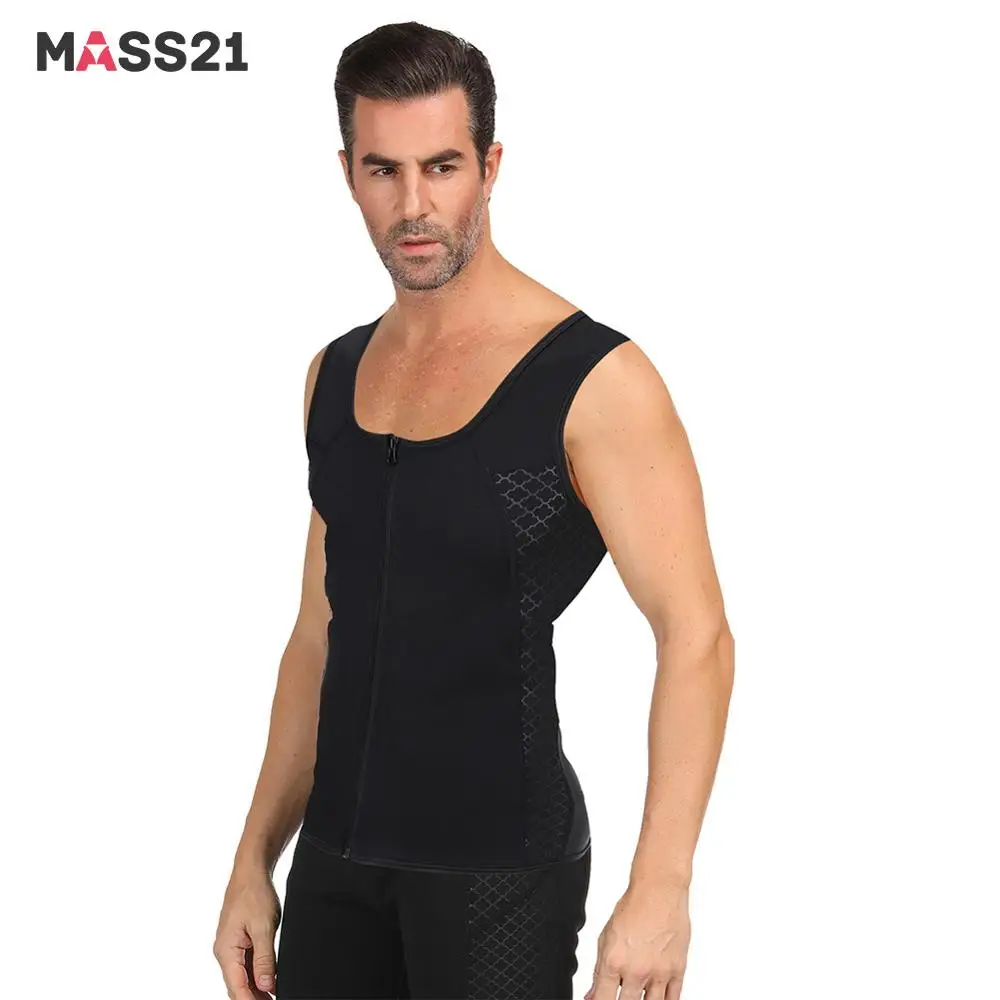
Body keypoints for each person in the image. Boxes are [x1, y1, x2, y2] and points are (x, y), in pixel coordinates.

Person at [213, 20, 734, 1000]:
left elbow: (695, 633)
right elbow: (320, 634)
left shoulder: (594, 380)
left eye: (442, 166)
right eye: (384, 170)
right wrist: (253, 857)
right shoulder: (334, 376)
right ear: (348, 173)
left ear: (490, 167)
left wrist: (661, 887)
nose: (413, 205)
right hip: (334, 862)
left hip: (501, 871)